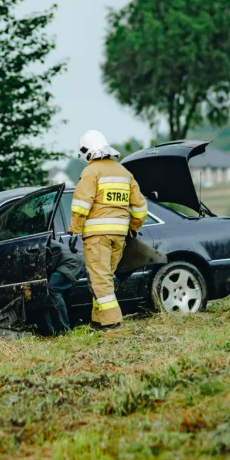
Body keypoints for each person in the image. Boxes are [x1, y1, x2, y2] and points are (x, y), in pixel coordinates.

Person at [68, 130, 147, 331]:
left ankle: (112, 322)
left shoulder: (91, 171)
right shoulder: (124, 173)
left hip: (97, 236)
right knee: (104, 278)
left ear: (87, 151)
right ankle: (98, 321)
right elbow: (140, 208)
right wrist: (132, 229)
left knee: (100, 280)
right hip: (119, 235)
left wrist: (74, 229)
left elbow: (80, 205)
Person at [42, 236, 85, 335]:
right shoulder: (42, 241)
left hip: (71, 263)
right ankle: (58, 328)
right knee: (56, 292)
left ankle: (64, 329)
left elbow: (53, 259)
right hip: (70, 262)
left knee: (53, 289)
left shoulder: (40, 243)